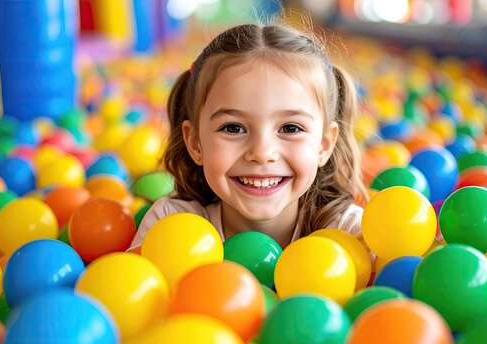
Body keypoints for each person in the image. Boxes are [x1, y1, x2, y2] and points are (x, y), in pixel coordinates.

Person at [130, 22, 367, 250]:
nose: (262, 153)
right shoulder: (170, 226)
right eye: (233, 128)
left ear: (324, 145)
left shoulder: (350, 234)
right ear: (195, 143)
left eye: (290, 128)